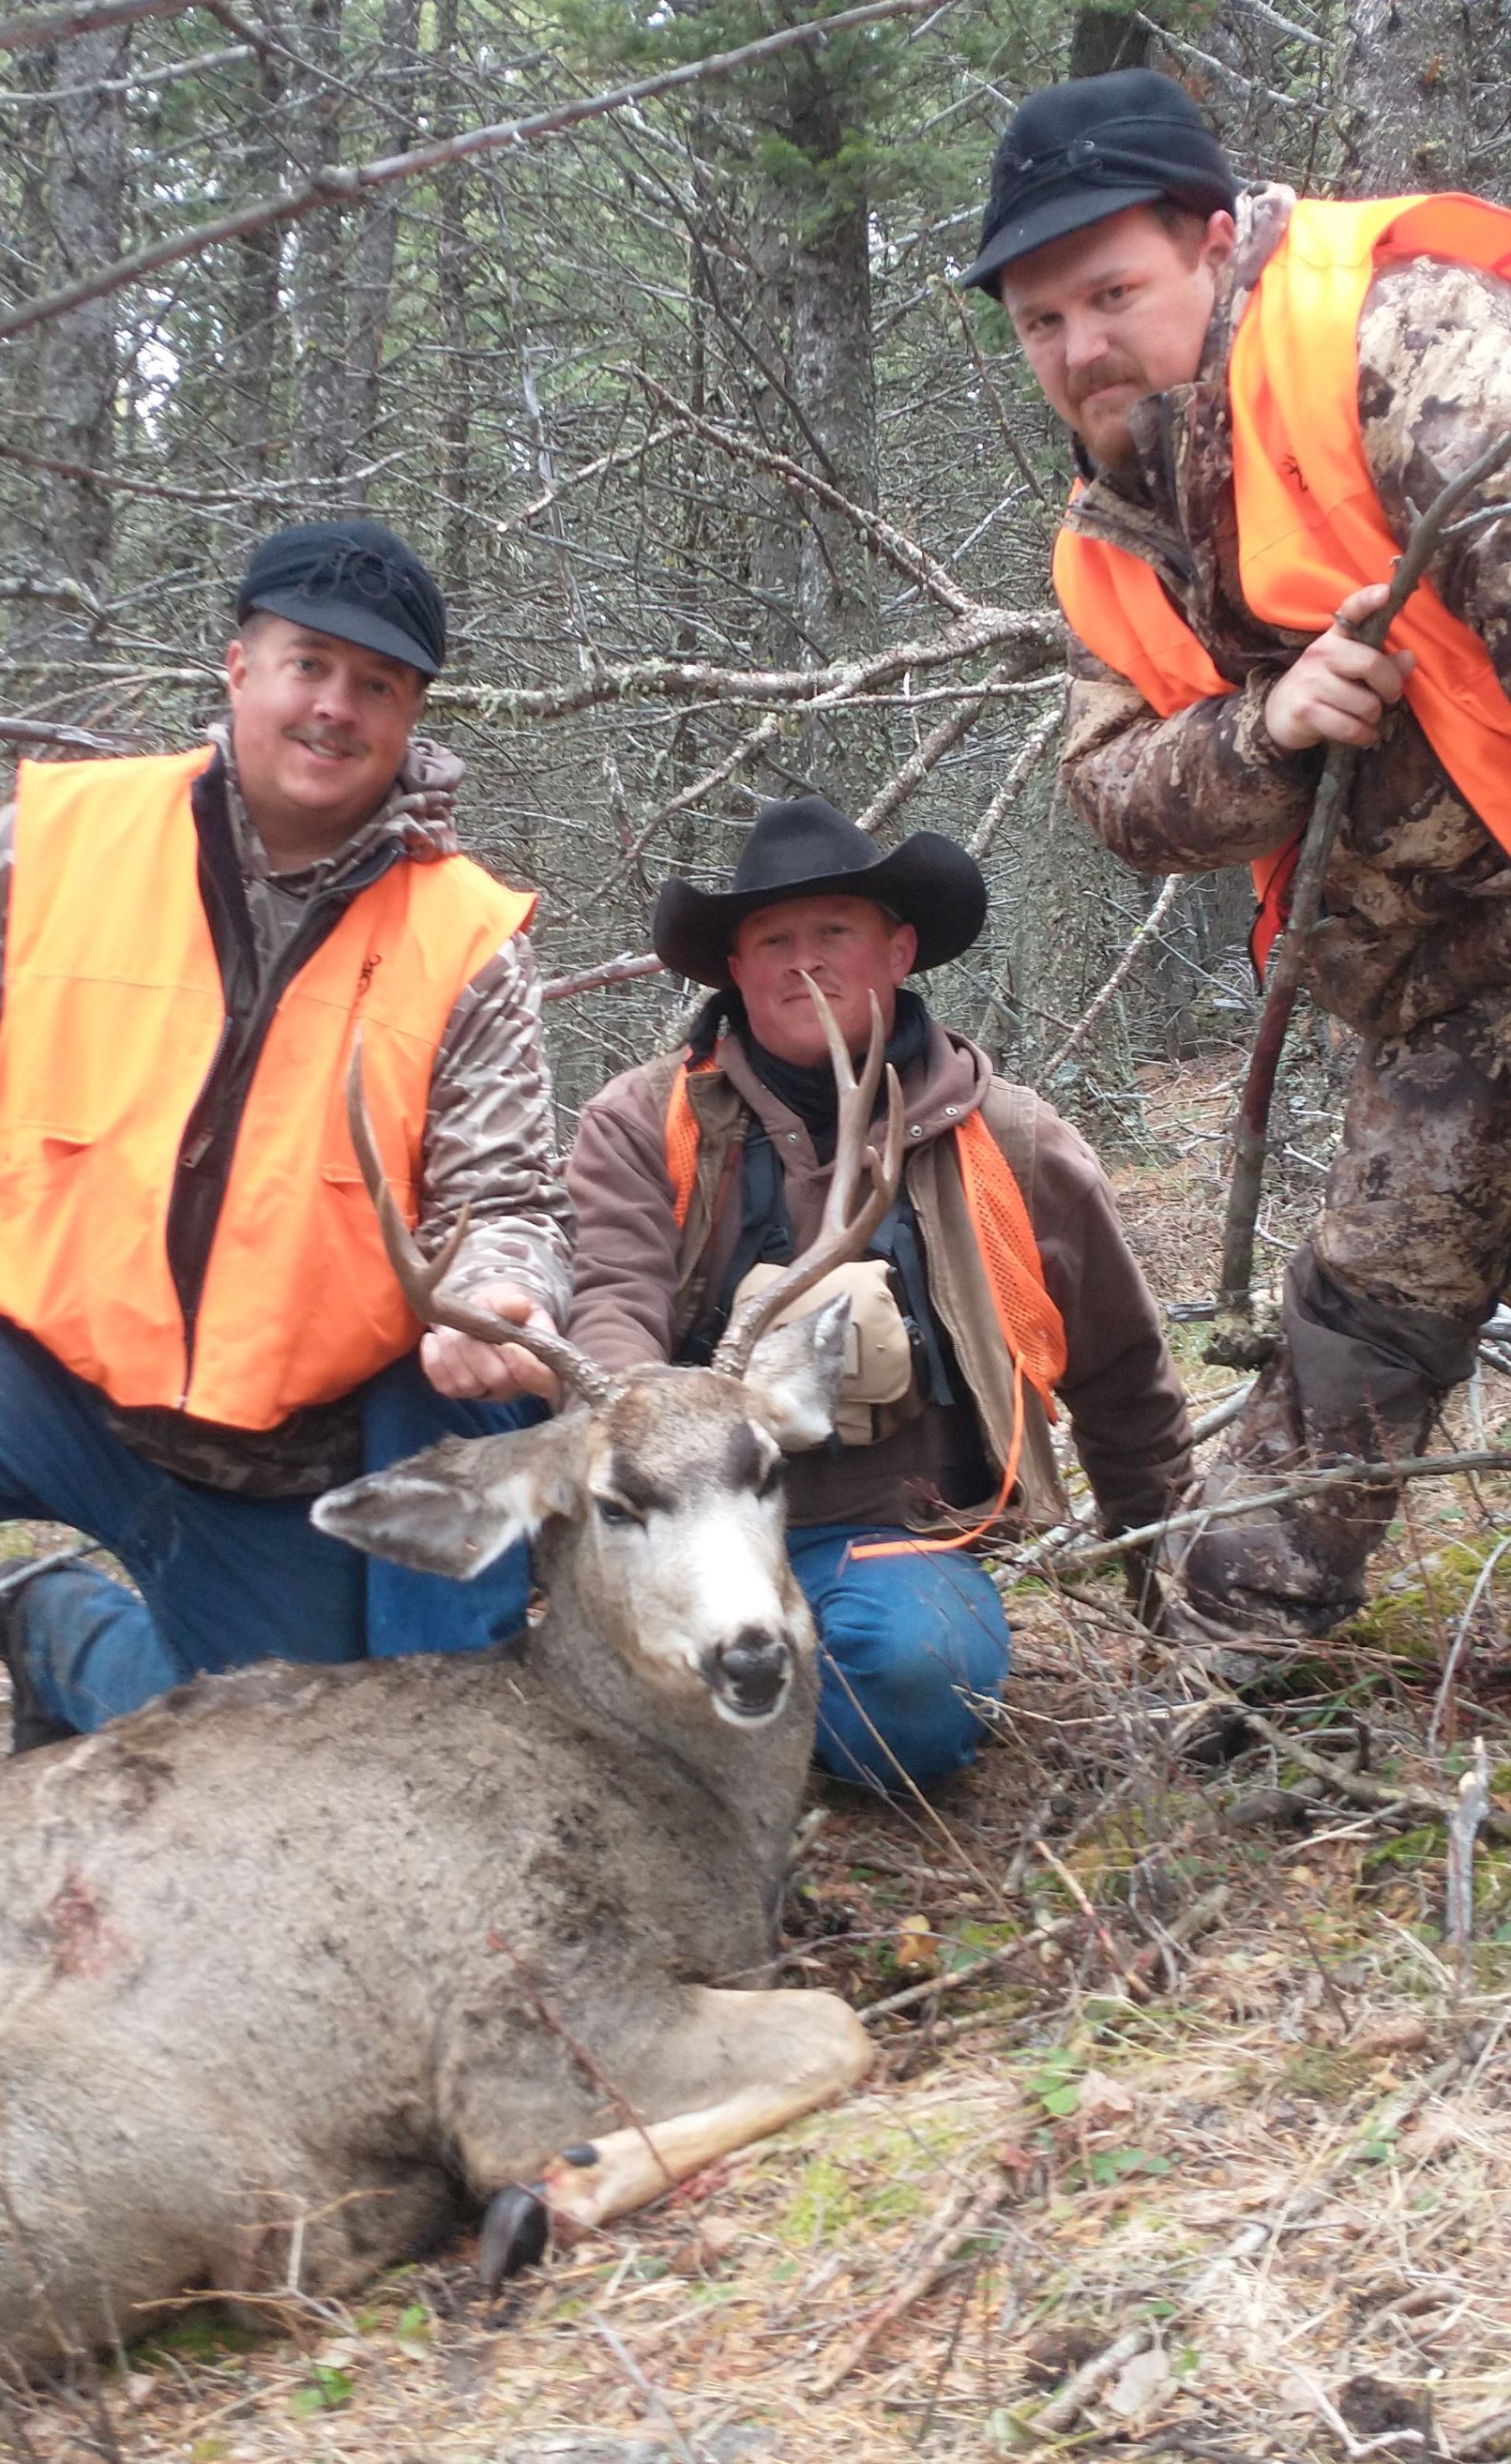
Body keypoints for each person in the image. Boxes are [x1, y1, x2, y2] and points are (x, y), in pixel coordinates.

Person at [0, 519, 570, 1937]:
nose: (334, 707)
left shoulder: (465, 936)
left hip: (272, 1453)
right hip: (21, 1363)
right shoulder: (60, 840)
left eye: (375, 684)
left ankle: (64, 1635)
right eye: (308, 664)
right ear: (238, 667)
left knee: (307, 1812)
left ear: (413, 716)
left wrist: (498, 1296)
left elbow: (507, 1200)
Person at [965, 68, 1511, 1641]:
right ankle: (1233, 1680)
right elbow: (1119, 797)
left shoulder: (1395, 337)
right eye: (1040, 321)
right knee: (1336, 1381)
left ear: (1213, 241)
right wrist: (1271, 730)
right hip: (1446, 999)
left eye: (1111, 294)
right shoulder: (1113, 534)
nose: (1080, 347)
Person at [564, 797, 1194, 1791]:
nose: (803, 963)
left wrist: (1177, 1604)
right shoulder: (644, 1122)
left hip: (888, 1534)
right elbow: (612, 1289)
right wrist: (637, 1421)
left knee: (912, 1691)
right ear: (735, 968)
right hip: (692, 1526)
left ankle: (737, 1720)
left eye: (833, 932)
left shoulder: (1013, 1143)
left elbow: (1122, 1375)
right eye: (774, 940)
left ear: (898, 952)